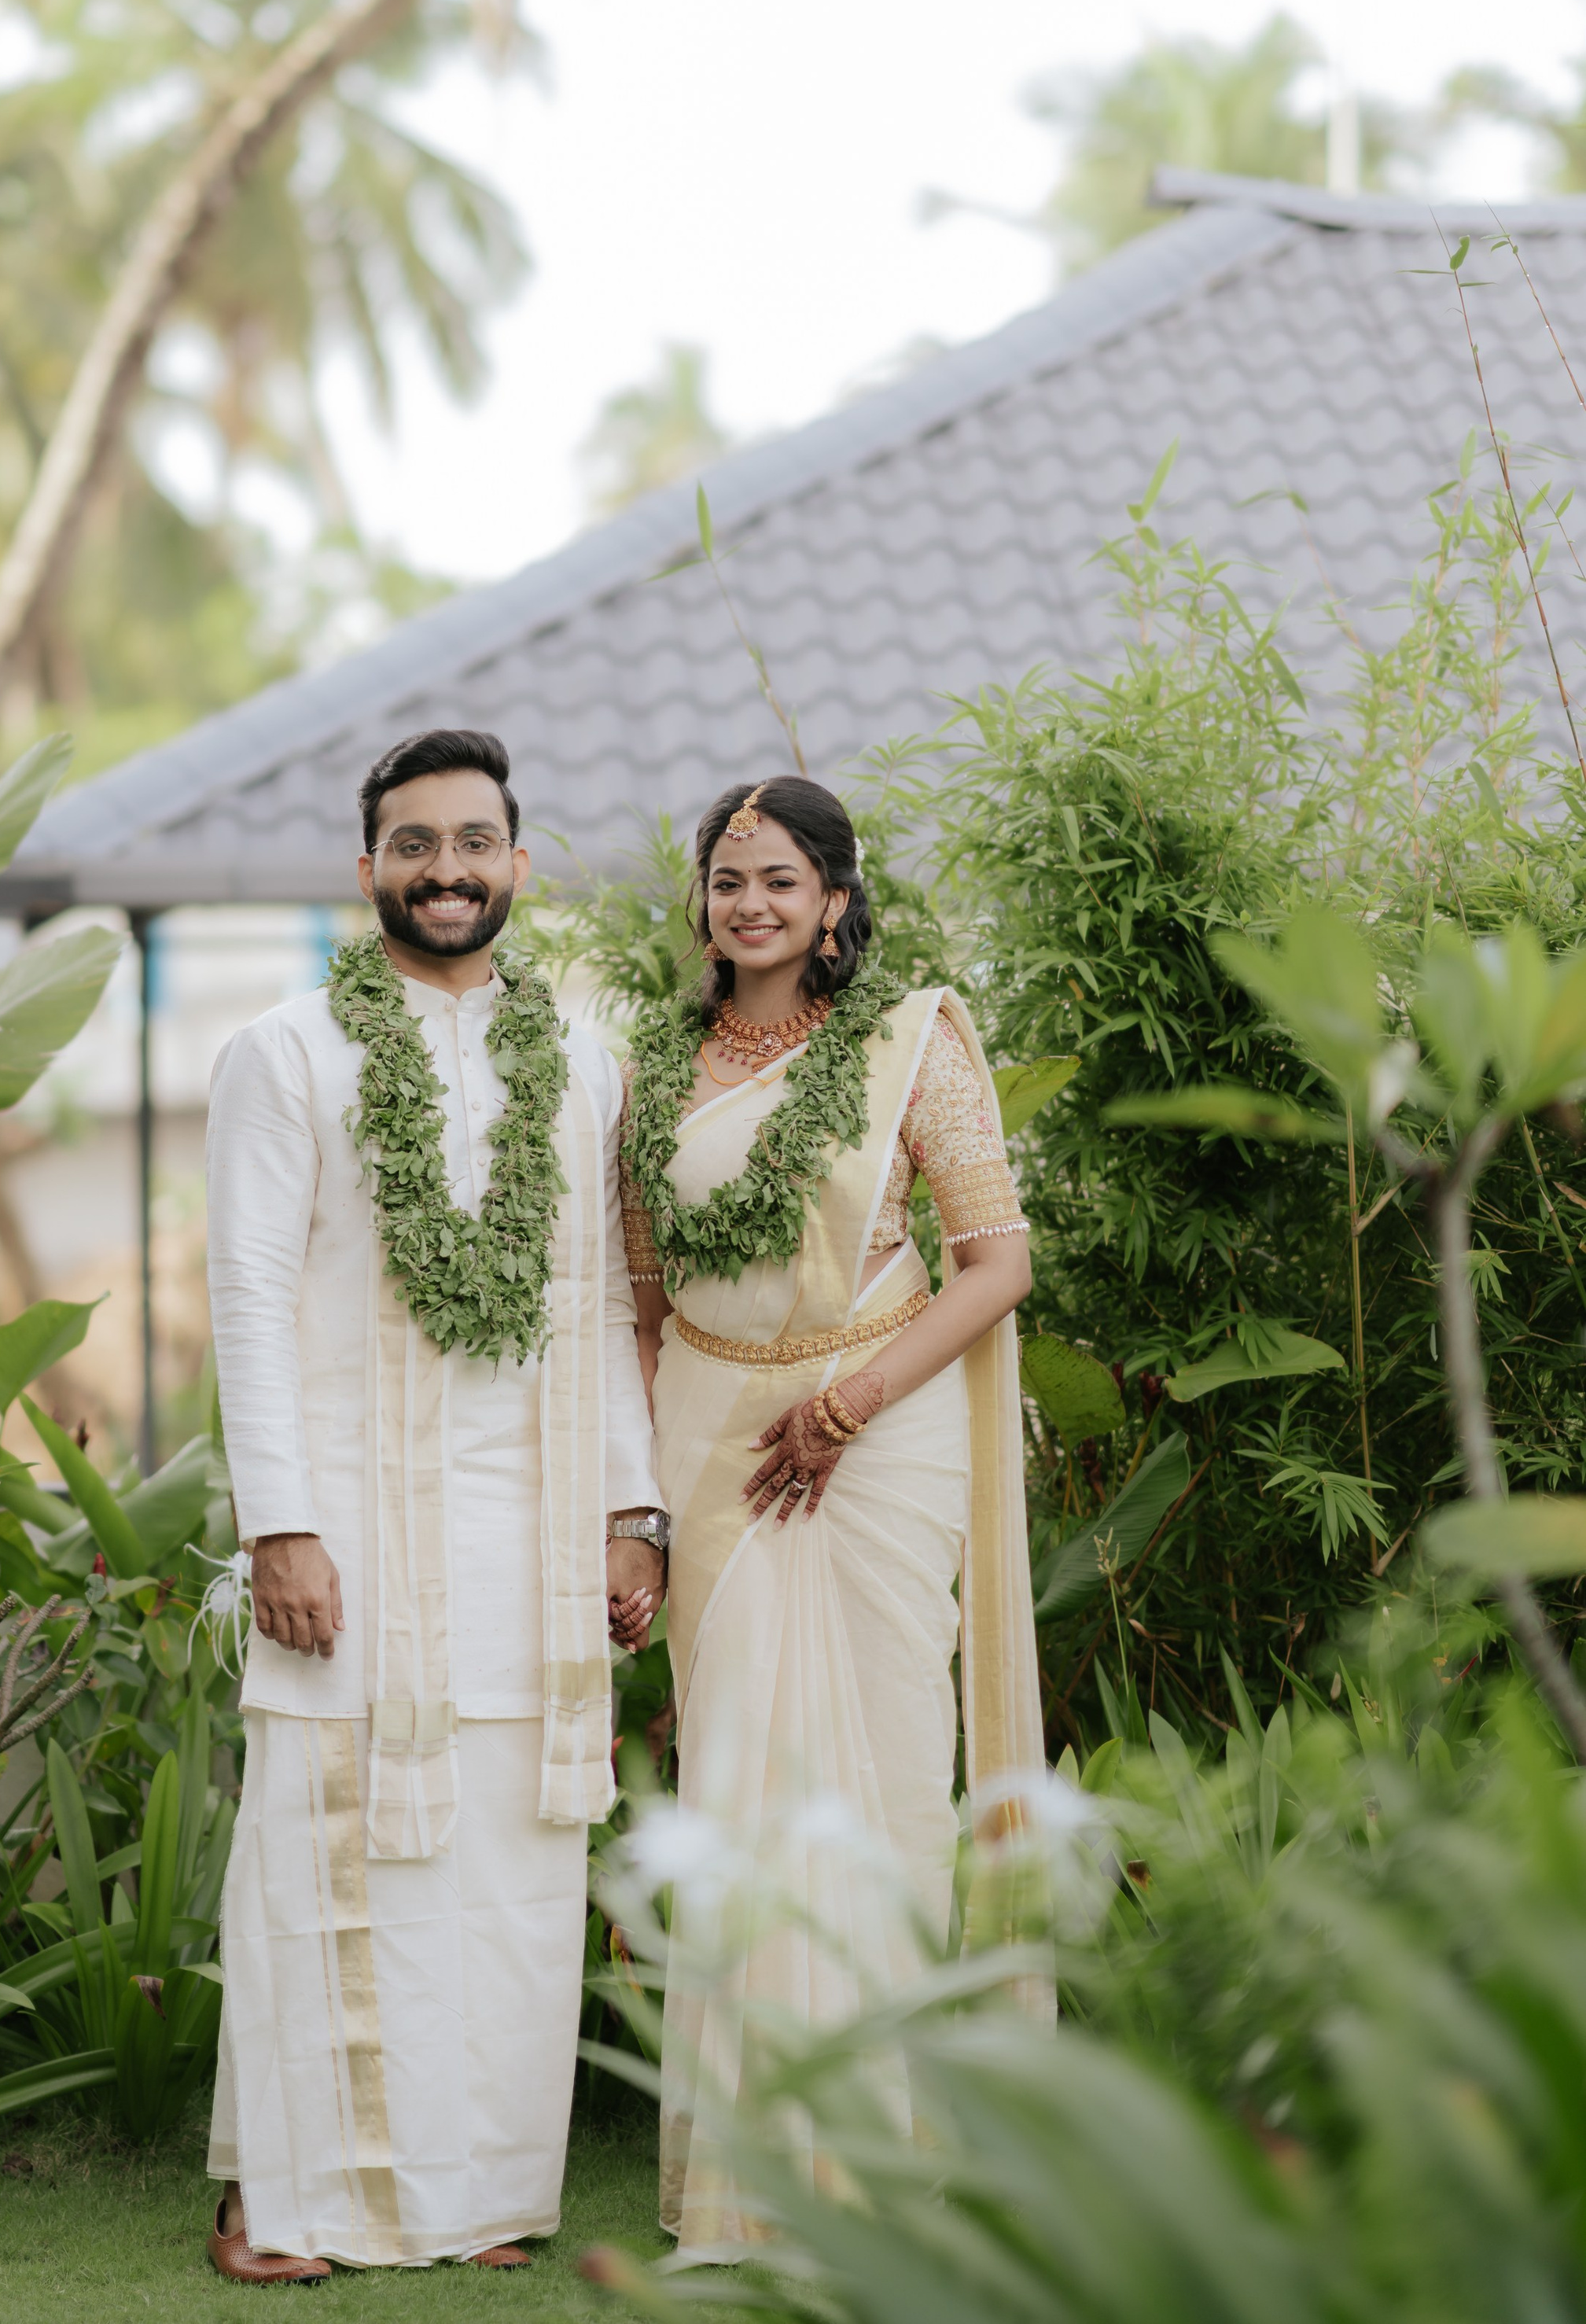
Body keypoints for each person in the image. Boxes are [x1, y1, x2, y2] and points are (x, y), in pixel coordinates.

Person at [202, 726, 668, 2281]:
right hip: (348, 1530)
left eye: (474, 843)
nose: (448, 870)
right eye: (416, 844)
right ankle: (285, 2200)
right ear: (369, 870)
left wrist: (628, 1514)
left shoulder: (580, 1064)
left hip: (524, 1544)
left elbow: (599, 1305)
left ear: (517, 865)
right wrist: (279, 1519)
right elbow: (247, 1294)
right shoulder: (284, 1054)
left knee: (504, 1876)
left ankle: (476, 2200)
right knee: (319, 1852)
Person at [618, 774, 1043, 2262]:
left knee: (881, 1779)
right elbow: (641, 1290)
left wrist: (847, 1404)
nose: (751, 906)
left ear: (836, 904)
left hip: (877, 1435)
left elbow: (995, 1266)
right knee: (736, 1779)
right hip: (708, 1430)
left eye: (780, 882)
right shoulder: (655, 1064)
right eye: (729, 881)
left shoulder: (907, 1047)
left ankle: (886, 2157)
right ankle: (750, 2174)